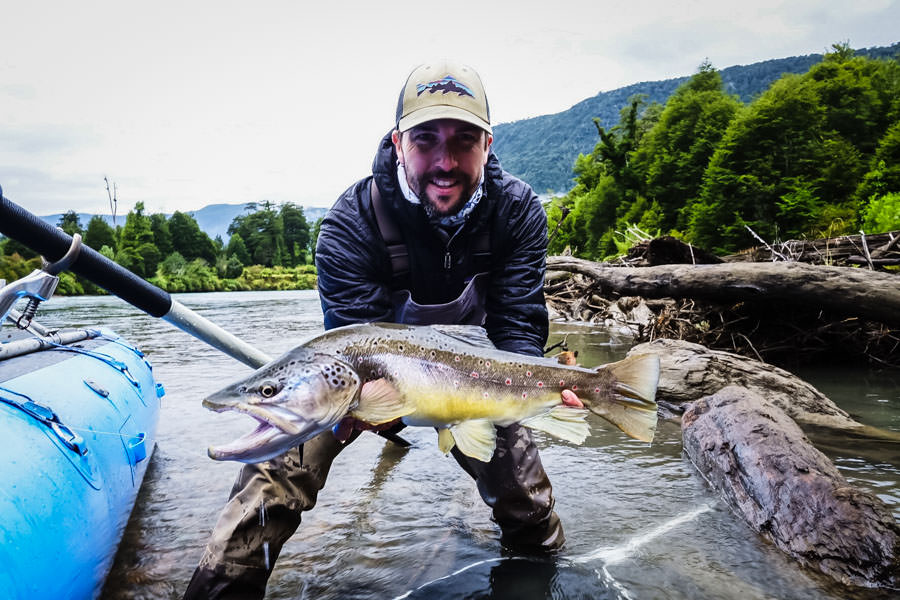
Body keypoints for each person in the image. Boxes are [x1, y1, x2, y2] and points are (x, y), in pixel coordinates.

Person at [184, 60, 579, 600]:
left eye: (464, 140)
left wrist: (540, 387)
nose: (445, 160)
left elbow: (517, 325)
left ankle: (543, 581)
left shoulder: (517, 211)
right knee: (269, 488)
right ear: (397, 144)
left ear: (488, 145)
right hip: (364, 379)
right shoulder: (351, 222)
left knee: (528, 510)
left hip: (476, 378)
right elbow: (351, 338)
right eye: (425, 139)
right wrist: (362, 410)